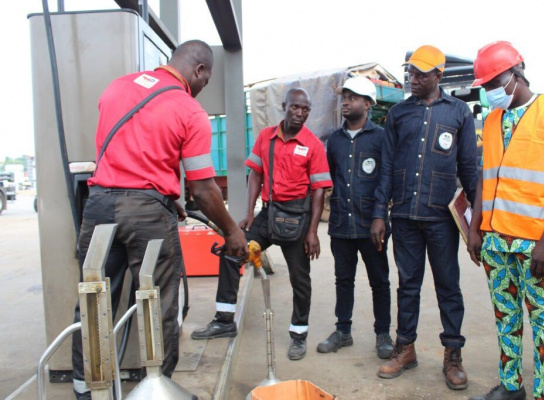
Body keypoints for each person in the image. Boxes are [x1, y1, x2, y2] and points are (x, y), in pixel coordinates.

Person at [70, 40, 248, 400]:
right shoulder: (188, 109)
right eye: (206, 81)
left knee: (93, 301)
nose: (202, 89)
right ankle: (157, 391)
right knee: (159, 302)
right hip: (146, 216)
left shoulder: (117, 87)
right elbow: (203, 188)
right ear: (199, 70)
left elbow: (130, 152)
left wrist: (165, 196)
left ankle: (85, 390)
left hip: (100, 204)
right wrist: (232, 232)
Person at [467, 41, 544, 400]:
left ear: (515, 73)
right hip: (496, 241)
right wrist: (474, 229)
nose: (489, 92)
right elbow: (486, 178)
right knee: (506, 318)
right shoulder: (491, 120)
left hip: (535, 243)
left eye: (492, 82)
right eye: (483, 87)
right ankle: (511, 387)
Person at [192, 88, 332, 361]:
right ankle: (224, 320)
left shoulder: (313, 145)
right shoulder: (265, 137)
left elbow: (318, 192)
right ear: (284, 106)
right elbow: (255, 175)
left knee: (300, 280)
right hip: (267, 215)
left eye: (306, 109)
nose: (300, 113)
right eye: (295, 107)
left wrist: (313, 231)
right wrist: (249, 213)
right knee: (233, 250)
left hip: (298, 219)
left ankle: (298, 334)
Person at [371, 45, 478, 390]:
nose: (412, 79)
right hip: (404, 215)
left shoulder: (459, 112)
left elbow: (469, 169)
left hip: (441, 219)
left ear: (438, 76)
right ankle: (406, 348)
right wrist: (379, 214)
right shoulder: (400, 114)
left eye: (420, 74)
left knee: (448, 286)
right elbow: (386, 166)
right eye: (410, 73)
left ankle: (453, 354)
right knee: (408, 285)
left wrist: (477, 222)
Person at [316, 76, 393, 359]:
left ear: (367, 103)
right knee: (343, 280)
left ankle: (383, 334)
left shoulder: (382, 137)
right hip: (341, 224)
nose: (345, 102)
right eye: (344, 97)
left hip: (371, 224)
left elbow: (386, 179)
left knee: (379, 281)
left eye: (352, 97)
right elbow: (333, 176)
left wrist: (380, 217)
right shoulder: (334, 140)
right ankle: (343, 331)